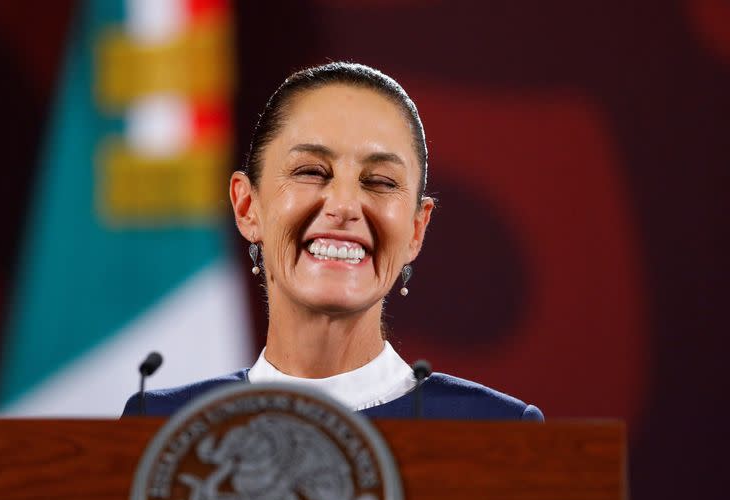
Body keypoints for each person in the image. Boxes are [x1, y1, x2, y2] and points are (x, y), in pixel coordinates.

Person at [123, 62, 543, 421]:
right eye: (310, 172)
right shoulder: (161, 428)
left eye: (379, 181)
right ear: (248, 206)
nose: (344, 205)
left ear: (417, 229)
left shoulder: (496, 429)